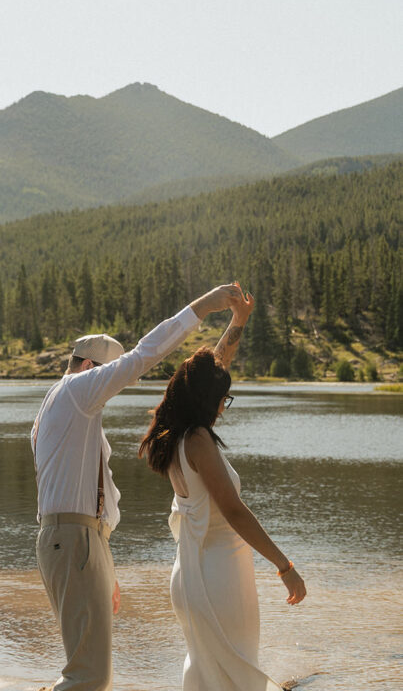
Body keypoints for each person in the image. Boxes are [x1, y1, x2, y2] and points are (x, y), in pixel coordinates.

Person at [32, 282, 245, 691]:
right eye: (113, 377)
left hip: (74, 539)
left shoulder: (54, 408)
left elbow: (78, 490)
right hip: (73, 539)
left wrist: (102, 565)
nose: (116, 387)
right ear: (92, 369)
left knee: (88, 672)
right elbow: (147, 353)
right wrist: (204, 306)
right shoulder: (78, 392)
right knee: (88, 677)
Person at [139, 286, 307, 691]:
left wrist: (238, 322)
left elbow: (210, 372)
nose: (222, 406)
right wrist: (285, 567)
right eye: (222, 400)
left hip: (193, 573)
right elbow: (233, 510)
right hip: (218, 576)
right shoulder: (197, 440)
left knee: (207, 673)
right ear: (207, 400)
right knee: (236, 675)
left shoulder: (173, 435)